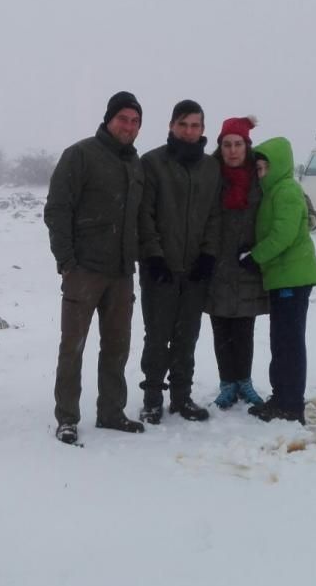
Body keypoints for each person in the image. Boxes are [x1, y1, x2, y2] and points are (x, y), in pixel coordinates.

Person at [44, 91, 148, 445]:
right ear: (109, 119)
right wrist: (67, 262)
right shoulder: (81, 155)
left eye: (135, 122)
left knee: (118, 346)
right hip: (84, 270)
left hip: (121, 273)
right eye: (123, 119)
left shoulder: (135, 163)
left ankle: (111, 412)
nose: (129, 126)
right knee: (72, 346)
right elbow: (57, 209)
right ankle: (67, 417)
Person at [136, 100, 221, 424]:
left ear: (202, 129)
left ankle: (181, 397)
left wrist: (209, 254)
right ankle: (153, 398)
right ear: (172, 125)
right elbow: (145, 215)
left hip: (195, 269)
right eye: (183, 124)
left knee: (188, 335)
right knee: (157, 335)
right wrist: (154, 256)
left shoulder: (210, 168)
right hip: (160, 268)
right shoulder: (153, 162)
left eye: (195, 125)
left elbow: (215, 216)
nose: (189, 131)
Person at [238, 137, 316, 424]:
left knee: (288, 342)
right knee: (283, 341)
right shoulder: (275, 190)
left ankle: (291, 405)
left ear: (279, 166)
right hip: (284, 277)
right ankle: (283, 398)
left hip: (292, 278)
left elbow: (283, 236)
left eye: (264, 168)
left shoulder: (285, 191)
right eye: (258, 169)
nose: (260, 173)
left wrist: (255, 256)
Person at [204, 116, 269, 409]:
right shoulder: (210, 175)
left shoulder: (261, 176)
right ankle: (227, 383)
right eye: (227, 144)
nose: (232, 150)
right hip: (217, 265)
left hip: (247, 264)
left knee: (244, 329)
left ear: (247, 146)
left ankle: (244, 381)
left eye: (238, 144)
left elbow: (284, 196)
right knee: (221, 328)